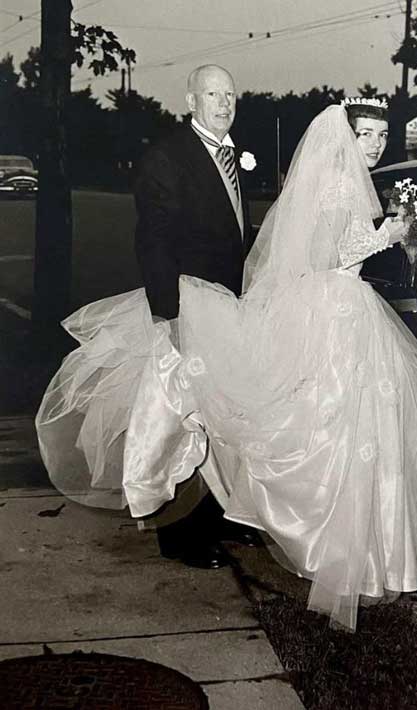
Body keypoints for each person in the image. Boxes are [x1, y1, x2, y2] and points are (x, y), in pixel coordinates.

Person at [36, 97, 417, 631]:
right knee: (332, 428)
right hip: (333, 311)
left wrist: (399, 235)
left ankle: (361, 554)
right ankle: (344, 552)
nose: (374, 145)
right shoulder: (335, 186)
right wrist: (389, 235)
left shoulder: (351, 185)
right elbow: (325, 256)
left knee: (353, 431)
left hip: (348, 309)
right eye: (366, 135)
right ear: (345, 139)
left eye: (381, 135)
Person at [39, 64, 258, 570]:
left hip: (226, 308)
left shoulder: (233, 156)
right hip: (185, 306)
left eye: (229, 94)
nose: (223, 104)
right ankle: (180, 535)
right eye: (212, 94)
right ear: (191, 101)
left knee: (218, 415)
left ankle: (221, 517)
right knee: (175, 421)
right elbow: (154, 243)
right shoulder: (168, 157)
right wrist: (170, 316)